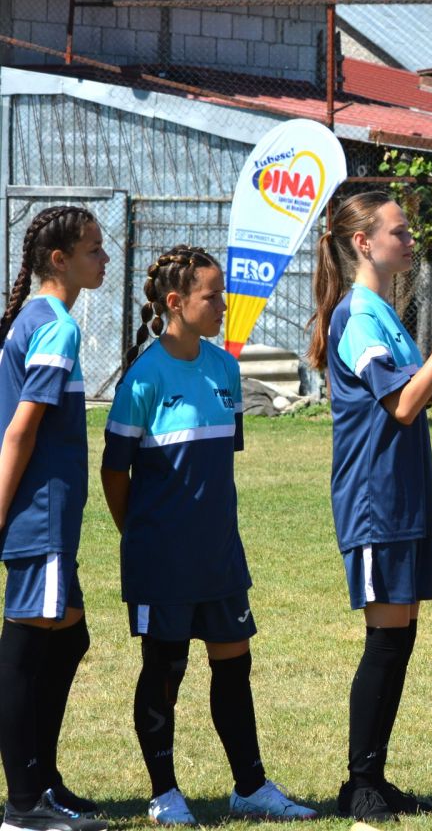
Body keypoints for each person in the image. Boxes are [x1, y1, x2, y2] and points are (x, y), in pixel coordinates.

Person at [101, 245, 318, 825]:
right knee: (164, 671)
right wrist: (141, 539)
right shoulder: (144, 378)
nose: (223, 305)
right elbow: (112, 471)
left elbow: (216, 465)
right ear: (177, 302)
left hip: (220, 557)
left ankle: (249, 786)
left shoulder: (225, 368)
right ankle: (164, 792)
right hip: (161, 561)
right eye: (212, 295)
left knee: (234, 667)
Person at [305, 191, 432, 822]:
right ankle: (358, 784)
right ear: (364, 243)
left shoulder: (381, 311)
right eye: (399, 230)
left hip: (402, 497)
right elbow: (398, 407)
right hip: (374, 501)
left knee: (399, 636)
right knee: (385, 641)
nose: (410, 239)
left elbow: (406, 394)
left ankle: (374, 776)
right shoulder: (357, 314)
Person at [0, 207, 109, 831]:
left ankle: (40, 778)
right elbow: (20, 432)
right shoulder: (56, 326)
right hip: (39, 513)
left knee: (70, 637)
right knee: (21, 655)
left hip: (50, 518)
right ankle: (23, 806)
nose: (103, 259)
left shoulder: (40, 319)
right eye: (93, 250)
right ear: (59, 260)